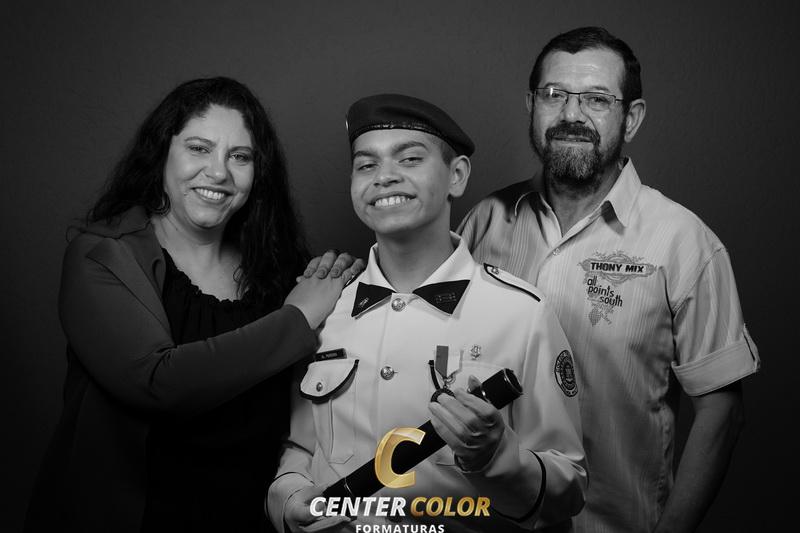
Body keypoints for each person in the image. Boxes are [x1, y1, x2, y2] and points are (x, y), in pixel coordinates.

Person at [24, 77, 363, 533]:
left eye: (240, 157)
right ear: (162, 152)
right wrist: (299, 317)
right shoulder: (103, 255)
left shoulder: (279, 272)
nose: (219, 173)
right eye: (199, 148)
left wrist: (346, 284)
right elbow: (158, 383)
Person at [458, 27, 760, 532]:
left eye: (597, 99)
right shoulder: (484, 222)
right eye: (554, 95)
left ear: (632, 118)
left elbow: (721, 413)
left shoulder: (684, 242)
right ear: (531, 105)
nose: (571, 115)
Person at [268, 94, 586, 533]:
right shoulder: (324, 311)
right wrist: (288, 500)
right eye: (366, 165)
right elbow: (301, 450)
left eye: (410, 159)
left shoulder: (522, 314)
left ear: (457, 175)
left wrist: (497, 456)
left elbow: (568, 490)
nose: (384, 176)